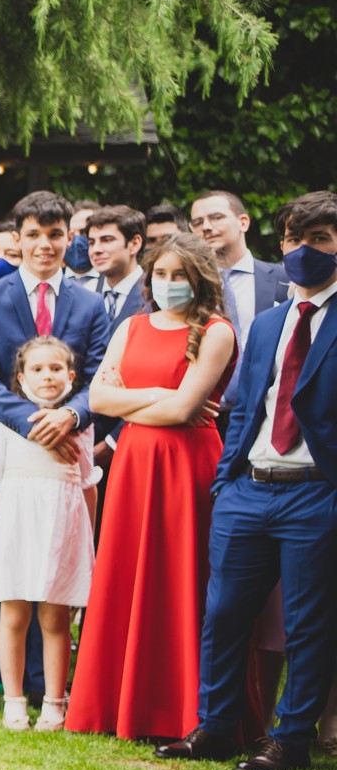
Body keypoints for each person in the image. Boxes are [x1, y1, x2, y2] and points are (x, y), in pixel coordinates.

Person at [159, 191, 337, 770]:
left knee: (308, 624)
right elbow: (244, 407)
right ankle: (216, 727)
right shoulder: (265, 324)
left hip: (318, 492)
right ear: (280, 244)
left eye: (319, 240)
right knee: (224, 614)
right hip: (248, 489)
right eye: (294, 240)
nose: (303, 251)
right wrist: (226, 481)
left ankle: (289, 739)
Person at [69, 232, 235, 740]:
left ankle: (181, 709)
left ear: (199, 278)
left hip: (186, 466)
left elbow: (188, 410)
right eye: (159, 274)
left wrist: (140, 400)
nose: (167, 283)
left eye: (178, 275)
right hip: (135, 463)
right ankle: (116, 704)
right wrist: (163, 393)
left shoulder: (215, 330)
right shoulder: (132, 326)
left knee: (182, 577)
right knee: (124, 573)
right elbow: (97, 396)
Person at [0, 191, 111, 717]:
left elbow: (100, 377)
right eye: (33, 235)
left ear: (71, 238)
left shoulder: (91, 304)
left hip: (70, 445)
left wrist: (70, 416)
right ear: (16, 238)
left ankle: (54, 692)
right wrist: (29, 420)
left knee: (55, 577)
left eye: (54, 235)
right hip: (6, 442)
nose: (44, 245)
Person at [0, 337, 100, 732]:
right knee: (13, 614)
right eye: (37, 369)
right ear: (21, 378)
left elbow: (88, 484)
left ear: (70, 376)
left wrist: (92, 539)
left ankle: (54, 701)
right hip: (17, 521)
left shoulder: (80, 425)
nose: (47, 376)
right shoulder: (7, 420)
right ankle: (13, 701)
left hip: (61, 525)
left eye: (55, 369)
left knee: (55, 617)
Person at [191, 190, 290, 345]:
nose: (206, 227)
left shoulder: (284, 278)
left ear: (243, 222)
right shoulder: (190, 284)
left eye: (217, 218)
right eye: (197, 223)